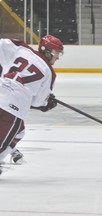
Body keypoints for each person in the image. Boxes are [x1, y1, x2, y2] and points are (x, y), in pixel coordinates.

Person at [0, 35, 63, 175]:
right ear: (46, 51)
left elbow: (2, 44)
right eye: (56, 53)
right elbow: (38, 102)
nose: (57, 57)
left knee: (20, 131)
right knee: (9, 138)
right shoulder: (49, 72)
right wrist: (47, 104)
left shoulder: (21, 48)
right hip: (13, 106)